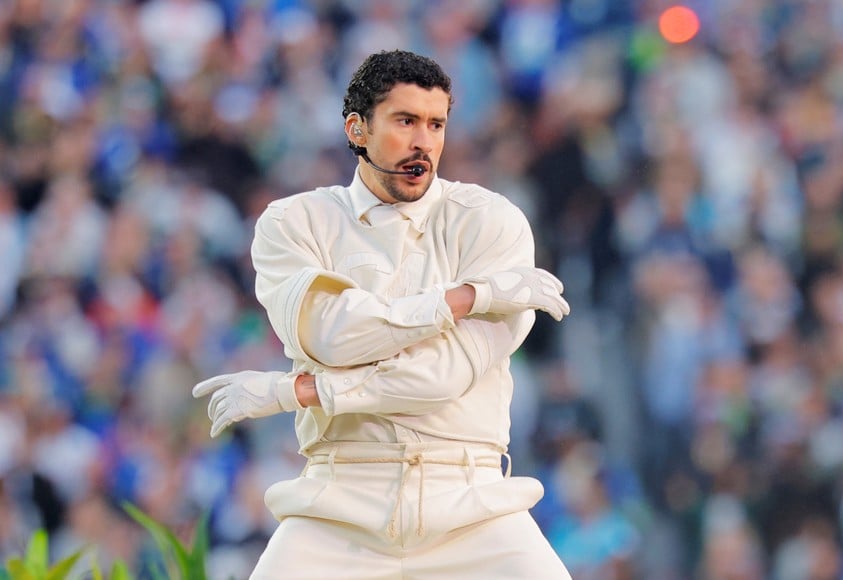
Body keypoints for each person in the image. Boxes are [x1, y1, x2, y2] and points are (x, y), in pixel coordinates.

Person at [192, 49, 572, 579]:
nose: (424, 142)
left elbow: (443, 374)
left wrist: (297, 391)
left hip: (472, 503)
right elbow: (334, 336)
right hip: (339, 502)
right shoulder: (295, 222)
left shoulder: (490, 221)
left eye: (436, 124)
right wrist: (463, 298)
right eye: (405, 121)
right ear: (357, 128)